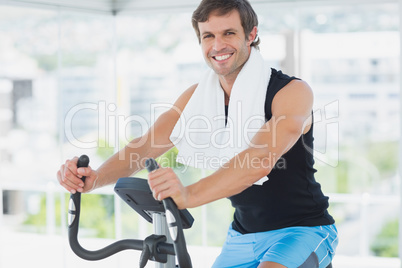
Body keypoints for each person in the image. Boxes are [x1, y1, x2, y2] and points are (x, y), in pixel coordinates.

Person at [57, 0, 338, 267]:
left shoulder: (291, 92)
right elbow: (144, 146)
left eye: (229, 33)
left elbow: (260, 158)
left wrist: (188, 195)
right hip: (242, 234)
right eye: (208, 36)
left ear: (251, 34)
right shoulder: (198, 97)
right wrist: (94, 180)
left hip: (304, 230)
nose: (218, 46)